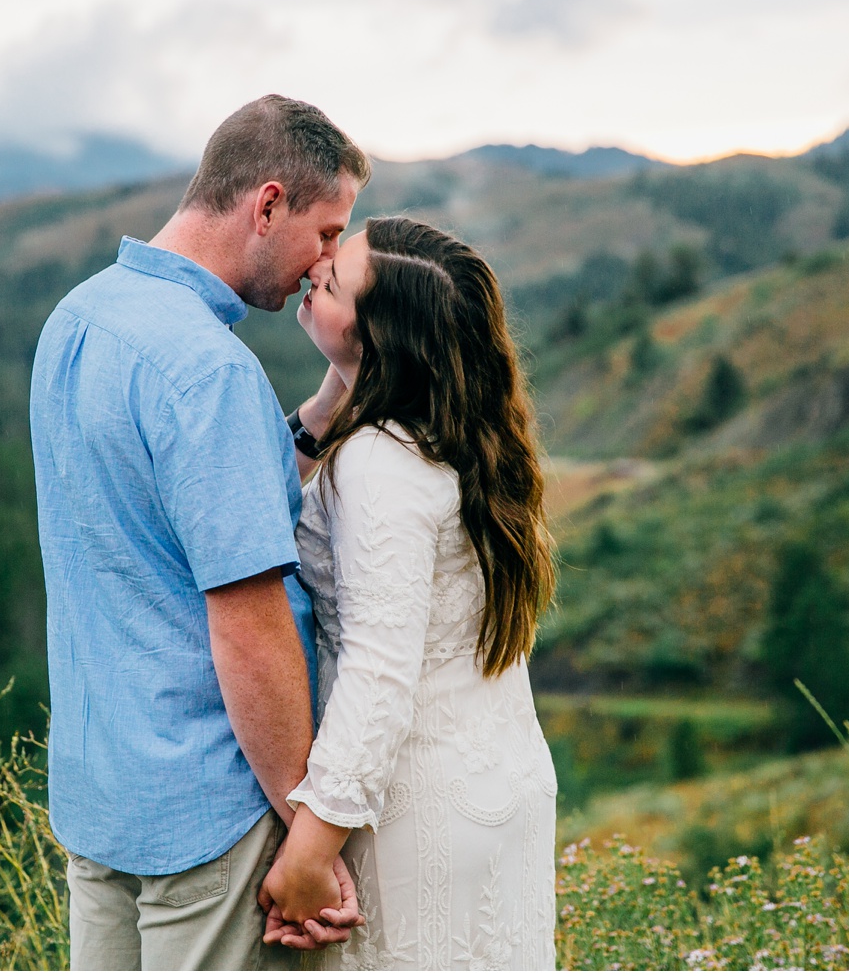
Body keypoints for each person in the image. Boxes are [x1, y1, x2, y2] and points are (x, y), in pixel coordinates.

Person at [29, 95, 371, 970]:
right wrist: (308, 832)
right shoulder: (209, 372)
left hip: (100, 796)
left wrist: (331, 402)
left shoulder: (80, 317)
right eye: (326, 230)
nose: (325, 260)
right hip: (206, 815)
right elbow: (249, 624)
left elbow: (197, 503)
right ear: (266, 206)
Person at [260, 217, 560, 969]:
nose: (314, 268)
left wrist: (310, 844)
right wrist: (343, 382)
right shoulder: (465, 433)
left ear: (379, 341)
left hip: (419, 811)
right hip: (505, 781)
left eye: (332, 281)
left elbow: (378, 670)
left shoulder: (377, 461)